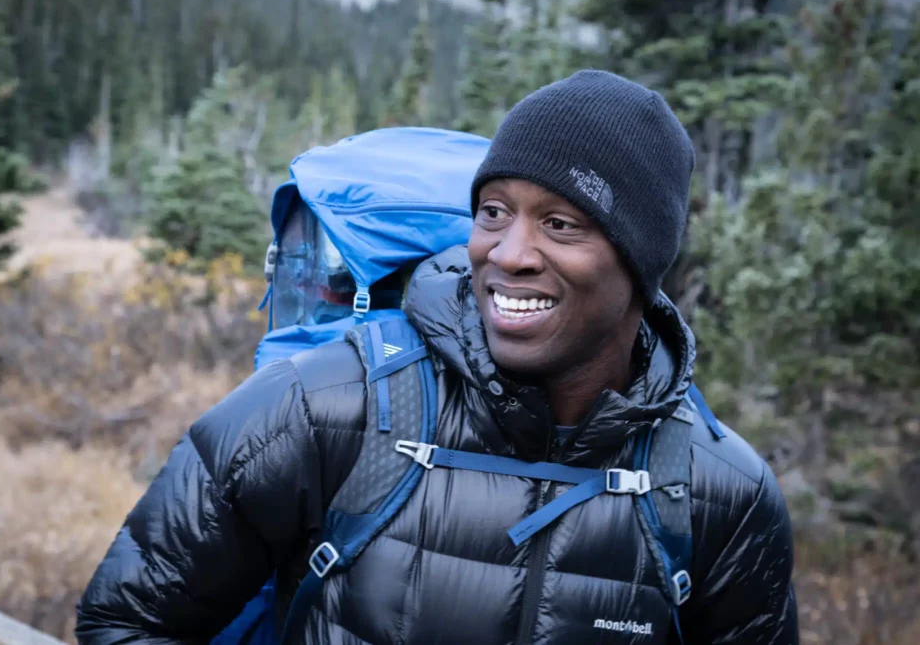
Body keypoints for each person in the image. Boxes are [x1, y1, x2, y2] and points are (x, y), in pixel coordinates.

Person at [76, 70, 798, 644]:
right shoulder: (323, 407)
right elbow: (127, 619)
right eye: (494, 211)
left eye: (559, 223)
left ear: (640, 261)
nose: (508, 254)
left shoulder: (719, 494)